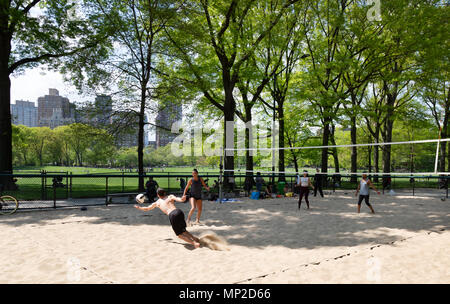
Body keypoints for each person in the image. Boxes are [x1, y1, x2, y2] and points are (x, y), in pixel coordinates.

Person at [134, 188, 201, 248]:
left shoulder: (157, 203)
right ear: (165, 193)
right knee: (183, 230)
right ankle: (194, 238)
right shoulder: (170, 196)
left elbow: (147, 208)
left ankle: (194, 243)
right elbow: (179, 199)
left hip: (172, 215)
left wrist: (139, 207)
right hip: (179, 212)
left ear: (158, 195)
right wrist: (182, 199)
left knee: (179, 235)